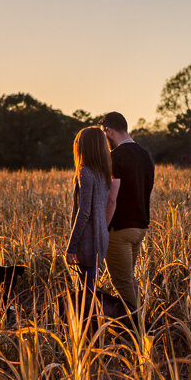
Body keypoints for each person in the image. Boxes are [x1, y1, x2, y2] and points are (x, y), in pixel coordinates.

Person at [100, 111, 154, 316]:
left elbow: (112, 198)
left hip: (119, 230)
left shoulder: (115, 157)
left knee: (122, 284)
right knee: (129, 280)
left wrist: (103, 229)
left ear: (109, 131)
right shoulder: (145, 155)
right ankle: (142, 324)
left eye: (104, 133)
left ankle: (139, 331)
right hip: (140, 227)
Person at [65, 127, 112, 303]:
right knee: (89, 287)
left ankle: (90, 325)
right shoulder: (104, 173)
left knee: (87, 293)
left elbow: (84, 212)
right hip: (101, 237)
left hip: (87, 241)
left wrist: (71, 246)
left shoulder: (85, 172)